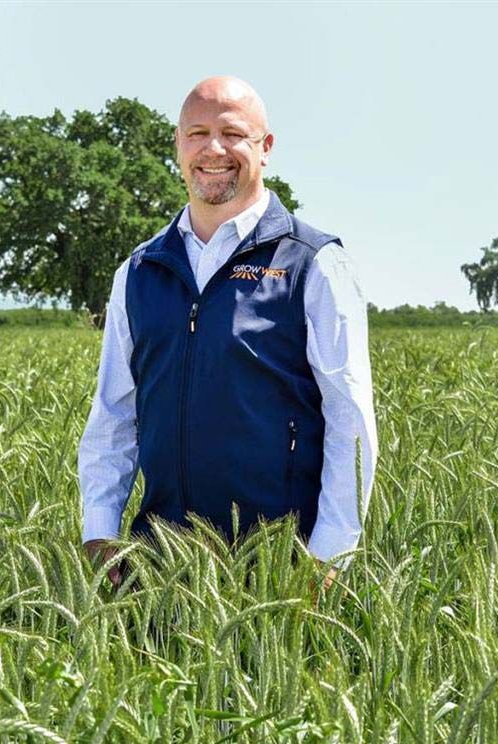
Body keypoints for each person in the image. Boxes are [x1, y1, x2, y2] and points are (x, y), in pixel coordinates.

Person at [78, 75, 378, 592]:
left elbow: (349, 420)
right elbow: (114, 412)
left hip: (280, 571)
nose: (213, 149)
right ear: (177, 146)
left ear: (265, 149)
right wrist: (100, 532)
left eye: (233, 133)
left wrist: (328, 557)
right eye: (196, 133)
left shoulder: (314, 264)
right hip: (159, 568)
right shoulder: (139, 269)